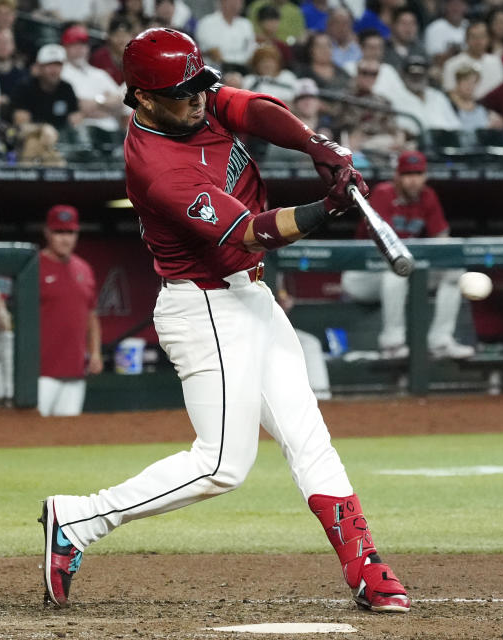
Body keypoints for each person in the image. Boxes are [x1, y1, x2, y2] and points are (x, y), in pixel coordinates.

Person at [39, 27, 410, 615]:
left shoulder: (190, 98)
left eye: (197, 89)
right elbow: (252, 231)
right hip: (205, 305)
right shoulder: (158, 167)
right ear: (143, 97)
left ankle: (365, 566)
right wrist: (327, 209)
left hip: (251, 297)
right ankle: (78, 518)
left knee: (307, 436)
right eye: (181, 95)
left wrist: (317, 145)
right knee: (220, 465)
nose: (197, 101)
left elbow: (255, 109)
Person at [340, 150, 476, 360]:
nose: (413, 180)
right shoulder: (383, 194)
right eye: (407, 174)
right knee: (397, 270)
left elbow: (442, 240)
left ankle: (440, 341)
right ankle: (393, 344)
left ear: (425, 175)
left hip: (404, 271)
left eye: (418, 174)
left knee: (453, 271)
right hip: (363, 276)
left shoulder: (428, 196)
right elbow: (382, 242)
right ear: (397, 175)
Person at [37, 204, 101, 417]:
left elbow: (91, 315)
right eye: (59, 232)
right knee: (31, 433)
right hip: (40, 371)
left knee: (68, 436)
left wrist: (95, 352)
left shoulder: (84, 268)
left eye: (70, 232)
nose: (65, 239)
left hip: (75, 369)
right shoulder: (33, 266)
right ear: (47, 233)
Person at [9, 43, 80, 131]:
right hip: (33, 139)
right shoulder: (24, 88)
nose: (54, 70)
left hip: (62, 139)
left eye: (58, 65)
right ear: (39, 67)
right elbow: (21, 123)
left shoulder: (67, 88)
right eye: (49, 65)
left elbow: (76, 119)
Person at [442, 20, 503, 99]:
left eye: (482, 36)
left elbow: (502, 92)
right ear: (466, 40)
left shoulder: (496, 61)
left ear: (489, 39)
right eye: (474, 37)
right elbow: (450, 93)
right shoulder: (451, 64)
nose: (478, 41)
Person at [195, 0, 256, 72]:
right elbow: (212, 52)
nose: (235, 4)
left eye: (239, 2)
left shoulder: (246, 24)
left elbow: (251, 50)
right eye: (232, 1)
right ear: (222, 2)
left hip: (242, 68)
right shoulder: (207, 22)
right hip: (214, 69)